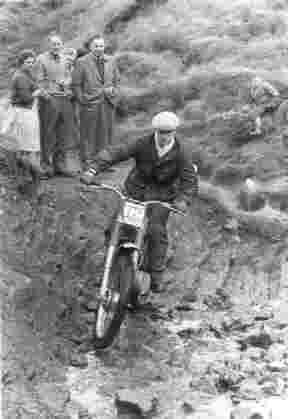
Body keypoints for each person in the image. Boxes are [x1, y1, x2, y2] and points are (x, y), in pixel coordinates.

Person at [81, 111, 199, 292]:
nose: (164, 137)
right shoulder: (143, 143)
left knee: (155, 231)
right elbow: (117, 152)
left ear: (174, 133)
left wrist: (183, 200)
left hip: (161, 197)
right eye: (161, 133)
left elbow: (189, 180)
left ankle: (156, 275)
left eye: (168, 133)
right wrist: (93, 169)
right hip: (135, 191)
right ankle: (109, 266)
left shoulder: (182, 153)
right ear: (155, 131)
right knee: (117, 226)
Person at [72, 33, 120, 168]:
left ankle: (103, 162)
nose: (99, 48)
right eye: (96, 46)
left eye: (101, 46)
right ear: (90, 47)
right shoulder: (82, 62)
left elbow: (116, 80)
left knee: (106, 133)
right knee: (88, 134)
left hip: (108, 102)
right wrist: (82, 101)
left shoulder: (111, 60)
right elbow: (76, 85)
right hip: (89, 103)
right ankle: (87, 162)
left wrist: (114, 92)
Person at [36, 33, 80, 177]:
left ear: (62, 45)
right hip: (49, 99)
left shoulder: (66, 59)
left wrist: (69, 90)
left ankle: (60, 165)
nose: (56, 46)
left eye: (58, 44)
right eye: (53, 44)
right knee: (48, 133)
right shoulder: (41, 59)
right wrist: (45, 94)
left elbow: (69, 77)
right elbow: (38, 80)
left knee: (64, 133)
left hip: (65, 100)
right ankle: (46, 167)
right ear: (48, 45)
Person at [9, 49, 44, 190]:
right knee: (28, 145)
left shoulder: (26, 74)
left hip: (28, 111)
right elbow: (26, 98)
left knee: (26, 145)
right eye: (27, 62)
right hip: (24, 112)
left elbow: (34, 87)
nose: (30, 64)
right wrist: (37, 93)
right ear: (21, 63)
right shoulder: (20, 77)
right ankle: (33, 175)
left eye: (32, 62)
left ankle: (25, 175)